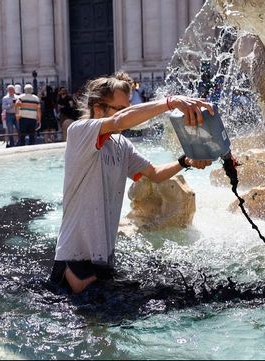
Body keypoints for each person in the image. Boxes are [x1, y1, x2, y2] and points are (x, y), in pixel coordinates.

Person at [49, 71, 214, 294]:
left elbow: (154, 173)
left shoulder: (121, 144)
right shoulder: (79, 132)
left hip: (103, 260)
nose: (128, 115)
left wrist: (186, 161)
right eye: (122, 108)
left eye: (129, 107)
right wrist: (171, 102)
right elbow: (119, 121)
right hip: (74, 260)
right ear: (99, 109)